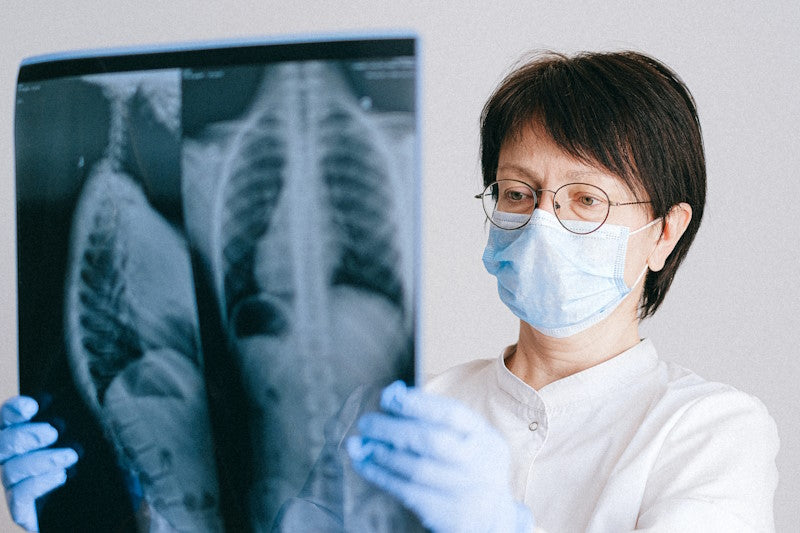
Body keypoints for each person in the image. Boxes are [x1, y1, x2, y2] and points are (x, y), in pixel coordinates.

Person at [1, 50, 779, 532]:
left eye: (586, 200)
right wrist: (72, 518)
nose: (543, 222)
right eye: (518, 192)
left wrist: (495, 526)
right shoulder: (396, 412)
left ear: (666, 232)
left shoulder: (710, 432)